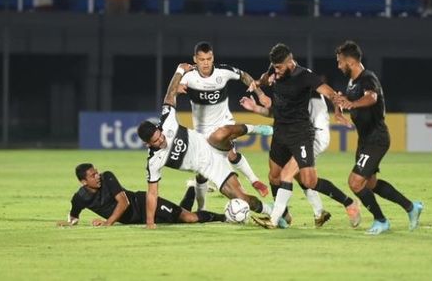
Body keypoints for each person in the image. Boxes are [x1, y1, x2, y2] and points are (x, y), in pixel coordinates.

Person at [136, 63, 273, 229]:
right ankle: (273, 211)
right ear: (147, 144)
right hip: (210, 168)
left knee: (222, 133)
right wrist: (150, 222)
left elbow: (169, 95)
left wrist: (179, 71)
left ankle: (254, 128)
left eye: (160, 136)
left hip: (211, 144)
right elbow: (152, 193)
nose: (161, 141)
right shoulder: (154, 162)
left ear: (159, 129)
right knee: (243, 199)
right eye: (156, 142)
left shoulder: (167, 122)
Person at [248, 43, 345, 229]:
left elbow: (330, 92)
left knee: (300, 178)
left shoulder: (305, 77)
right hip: (280, 132)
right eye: (274, 67)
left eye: (279, 67)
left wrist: (338, 109)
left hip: (299, 133)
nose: (276, 71)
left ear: (290, 62)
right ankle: (302, 214)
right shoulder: (274, 69)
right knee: (274, 176)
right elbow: (266, 78)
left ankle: (275, 219)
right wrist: (259, 83)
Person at [334, 40, 423, 235]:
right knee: (370, 184)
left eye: (340, 62)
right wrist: (339, 108)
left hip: (376, 138)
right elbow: (343, 98)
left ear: (350, 61)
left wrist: (352, 104)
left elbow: (371, 97)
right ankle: (411, 207)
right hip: (365, 140)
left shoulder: (367, 78)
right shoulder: (352, 82)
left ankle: (381, 221)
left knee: (355, 182)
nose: (338, 66)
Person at [240, 88, 361, 228]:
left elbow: (335, 95)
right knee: (281, 176)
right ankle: (315, 212)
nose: (274, 78)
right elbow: (281, 114)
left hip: (313, 135)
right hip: (294, 134)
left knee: (288, 174)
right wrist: (257, 108)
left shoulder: (305, 81)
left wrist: (338, 112)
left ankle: (275, 219)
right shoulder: (285, 85)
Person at [178, 41, 272, 210]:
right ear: (195, 59)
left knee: (228, 147)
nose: (206, 63)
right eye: (202, 59)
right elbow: (178, 85)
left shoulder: (223, 71)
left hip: (224, 121)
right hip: (202, 132)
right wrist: (179, 87)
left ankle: (255, 133)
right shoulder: (189, 76)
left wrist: (261, 94)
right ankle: (202, 209)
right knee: (201, 175)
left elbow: (244, 76)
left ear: (213, 57)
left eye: (209, 58)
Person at [57, 163, 225, 227]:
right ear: (84, 182)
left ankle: (225, 217)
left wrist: (107, 222)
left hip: (144, 203)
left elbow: (123, 202)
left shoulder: (107, 176)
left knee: (189, 218)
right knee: (180, 218)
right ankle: (192, 188)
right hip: (138, 220)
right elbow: (74, 216)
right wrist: (69, 223)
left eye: (96, 172)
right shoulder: (79, 198)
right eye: (93, 175)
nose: (97, 176)